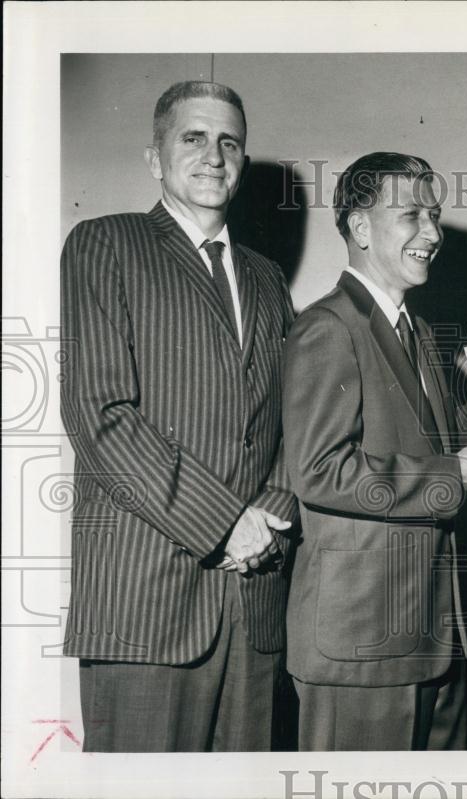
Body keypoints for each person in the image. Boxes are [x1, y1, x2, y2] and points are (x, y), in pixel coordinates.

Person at [60, 81, 297, 752]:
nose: (214, 155)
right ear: (154, 157)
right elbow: (101, 414)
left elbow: (295, 418)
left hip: (254, 606)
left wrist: (268, 518)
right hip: (145, 605)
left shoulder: (268, 277)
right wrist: (226, 522)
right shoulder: (104, 245)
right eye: (193, 137)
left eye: (229, 142)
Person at [282, 152, 467, 751]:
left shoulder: (418, 334)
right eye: (411, 214)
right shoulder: (328, 327)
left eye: (434, 215)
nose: (434, 234)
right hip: (359, 646)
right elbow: (318, 472)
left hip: (435, 640)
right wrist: (456, 474)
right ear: (360, 229)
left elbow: (458, 448)